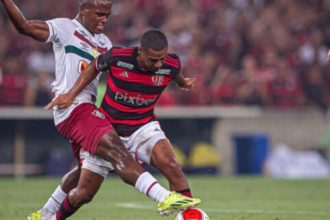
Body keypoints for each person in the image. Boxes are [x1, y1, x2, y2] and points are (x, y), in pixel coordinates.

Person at [0, 1, 201, 220]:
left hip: (92, 111)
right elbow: (24, 26)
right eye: (99, 14)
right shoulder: (64, 27)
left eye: (107, 15)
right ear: (83, 10)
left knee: (83, 182)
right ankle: (163, 196)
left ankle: (44, 215)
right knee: (118, 151)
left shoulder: (104, 42)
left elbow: (111, 68)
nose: (104, 20)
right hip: (73, 108)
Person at [45, 27, 198, 214]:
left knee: (171, 164)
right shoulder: (118, 57)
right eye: (153, 60)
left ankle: (190, 215)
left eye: (162, 59)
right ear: (140, 51)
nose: (159, 64)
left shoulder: (171, 63)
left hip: (143, 126)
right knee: (83, 194)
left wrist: (183, 83)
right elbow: (94, 66)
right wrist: (70, 95)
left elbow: (176, 74)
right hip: (107, 131)